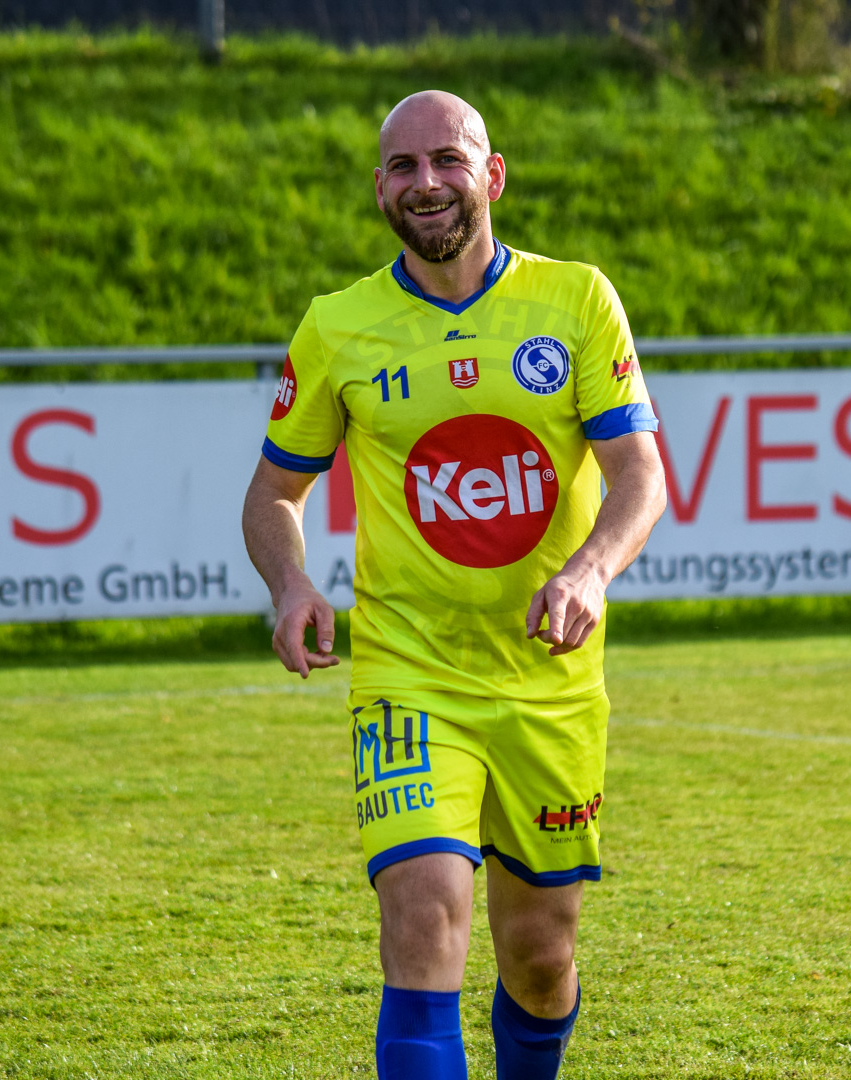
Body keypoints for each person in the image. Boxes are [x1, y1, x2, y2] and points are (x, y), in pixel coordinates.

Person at [241, 89, 666, 1080]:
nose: (425, 182)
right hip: (411, 675)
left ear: (493, 176)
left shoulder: (576, 300)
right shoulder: (339, 325)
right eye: (403, 166)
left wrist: (589, 571)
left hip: (548, 680)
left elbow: (640, 474)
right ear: (379, 190)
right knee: (424, 921)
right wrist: (292, 583)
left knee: (540, 956)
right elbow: (273, 492)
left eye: (447, 160)